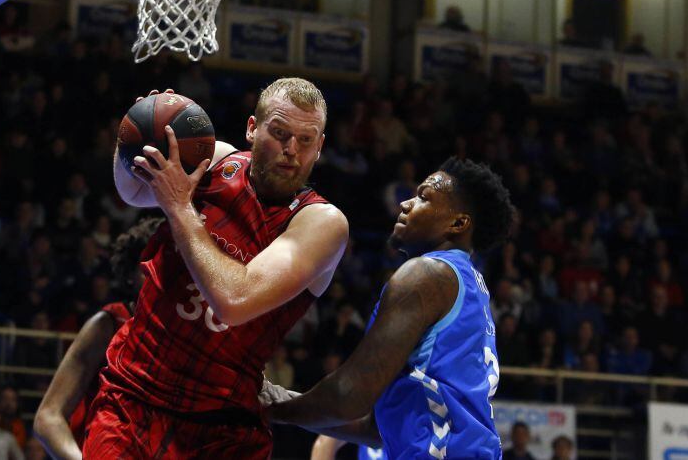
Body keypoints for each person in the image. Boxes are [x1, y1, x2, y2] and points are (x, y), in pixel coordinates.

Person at [84, 78, 349, 458]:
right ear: (252, 129)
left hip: (222, 427)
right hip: (133, 395)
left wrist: (179, 207)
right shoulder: (217, 159)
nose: (291, 150)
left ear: (320, 147)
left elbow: (234, 300)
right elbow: (133, 192)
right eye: (279, 133)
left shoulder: (322, 223)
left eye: (306, 140)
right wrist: (135, 136)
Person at [264, 158, 515, 458]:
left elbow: (348, 395)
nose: (406, 203)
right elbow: (375, 430)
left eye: (423, 197)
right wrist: (280, 399)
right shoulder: (471, 286)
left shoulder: (427, 275)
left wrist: (270, 407)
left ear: (458, 223)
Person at [33, 218, 161, 459]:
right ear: (129, 274)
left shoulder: (188, 334)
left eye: (165, 267)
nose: (157, 276)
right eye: (147, 267)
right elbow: (48, 417)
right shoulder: (108, 324)